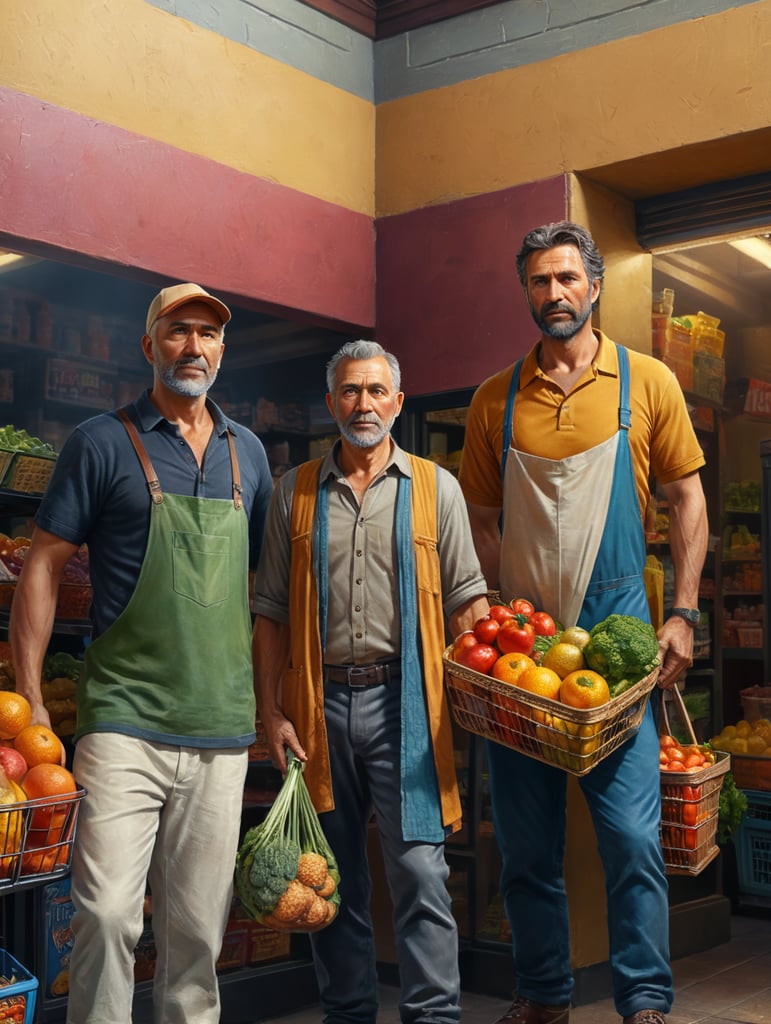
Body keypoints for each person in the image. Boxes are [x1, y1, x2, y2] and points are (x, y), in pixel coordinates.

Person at [459, 222, 708, 1024]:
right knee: (526, 851)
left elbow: (686, 501)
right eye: (538, 282)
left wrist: (681, 611)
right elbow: (482, 516)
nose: (553, 294)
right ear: (526, 292)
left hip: (620, 646)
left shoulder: (647, 383)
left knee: (632, 843)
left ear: (593, 286)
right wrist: (501, 611)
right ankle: (543, 996)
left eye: (566, 278)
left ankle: (643, 1002)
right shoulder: (494, 398)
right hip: (524, 655)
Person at [10, 282, 273, 1024]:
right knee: (105, 915)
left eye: (207, 334)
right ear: (148, 345)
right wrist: (31, 696)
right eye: (177, 331)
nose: (194, 346)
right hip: (122, 723)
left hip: (221, 731)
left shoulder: (246, 454)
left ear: (223, 349)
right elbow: (41, 564)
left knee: (195, 935)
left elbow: (258, 595)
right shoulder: (99, 441)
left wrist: (272, 703)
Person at [252, 339, 489, 1024]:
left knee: (420, 874)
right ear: (331, 403)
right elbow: (268, 612)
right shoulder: (292, 491)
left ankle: (432, 1018)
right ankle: (347, 1013)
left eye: (375, 391)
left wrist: (487, 690)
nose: (363, 404)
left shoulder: (434, 487)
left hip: (407, 705)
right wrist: (271, 714)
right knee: (334, 879)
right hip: (318, 708)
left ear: (397, 402)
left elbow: (467, 600)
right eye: (350, 391)